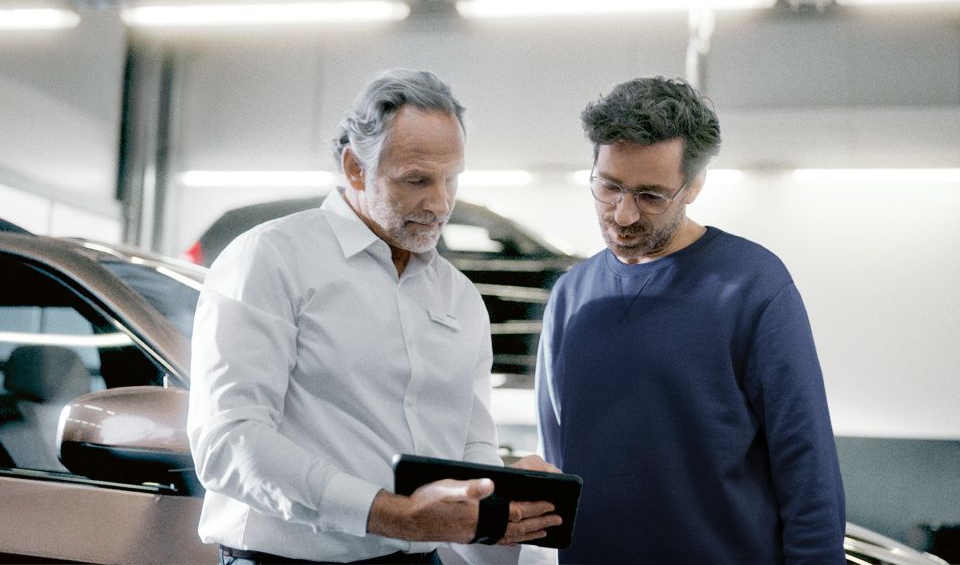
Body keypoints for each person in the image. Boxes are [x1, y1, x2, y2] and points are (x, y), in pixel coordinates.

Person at [188, 69, 562, 565]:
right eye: (417, 181)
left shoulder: (460, 296)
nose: (440, 204)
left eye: (452, 180)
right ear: (355, 168)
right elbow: (230, 440)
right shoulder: (270, 259)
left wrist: (503, 507)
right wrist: (391, 514)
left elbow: (471, 446)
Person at [535, 76, 846, 564]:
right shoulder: (571, 295)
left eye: (651, 196)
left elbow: (808, 471)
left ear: (694, 184)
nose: (622, 215)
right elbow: (557, 457)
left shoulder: (753, 286)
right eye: (609, 186)